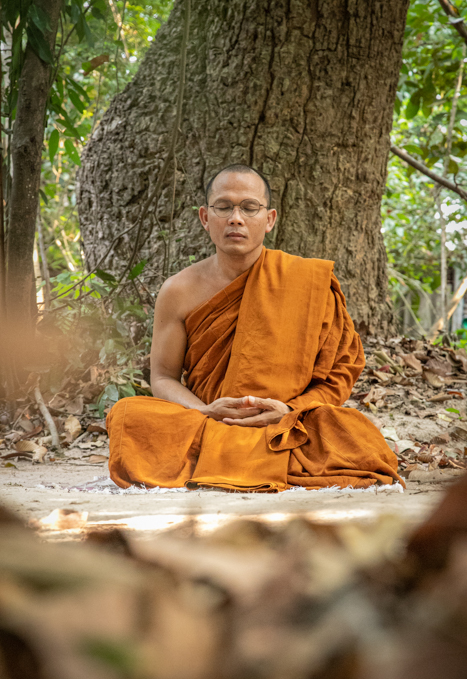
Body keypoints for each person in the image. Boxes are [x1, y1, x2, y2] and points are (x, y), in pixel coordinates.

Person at [107, 164, 401, 492]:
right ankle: (265, 464)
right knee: (128, 415)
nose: (236, 218)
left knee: (354, 434)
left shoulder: (308, 281)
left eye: (249, 207)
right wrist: (205, 410)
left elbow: (338, 375)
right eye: (223, 207)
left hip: (289, 425)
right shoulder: (178, 290)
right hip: (210, 421)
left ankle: (221, 462)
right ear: (205, 217)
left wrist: (289, 410)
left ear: (269, 219)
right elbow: (163, 377)